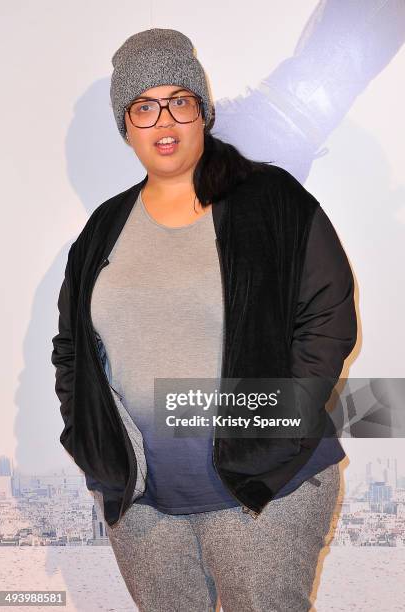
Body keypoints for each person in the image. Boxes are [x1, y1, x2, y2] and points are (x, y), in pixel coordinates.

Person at [51, 28, 357, 612]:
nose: (162, 119)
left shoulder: (271, 200)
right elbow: (71, 350)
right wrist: (92, 443)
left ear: (203, 112)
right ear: (126, 126)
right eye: (143, 106)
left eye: (178, 101)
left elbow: (327, 316)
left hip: (264, 493)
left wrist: (275, 424)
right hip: (142, 507)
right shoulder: (102, 229)